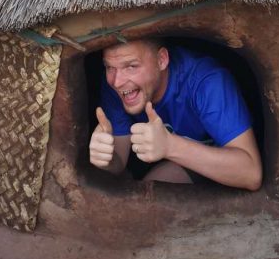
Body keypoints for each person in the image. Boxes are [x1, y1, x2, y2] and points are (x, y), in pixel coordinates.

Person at [89, 38, 263, 188]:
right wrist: (106, 157)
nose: (117, 81)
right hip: (183, 162)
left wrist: (169, 146)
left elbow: (251, 173)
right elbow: (119, 162)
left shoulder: (207, 81)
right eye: (109, 67)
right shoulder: (117, 87)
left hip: (223, 155)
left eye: (131, 66)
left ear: (162, 60)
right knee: (149, 194)